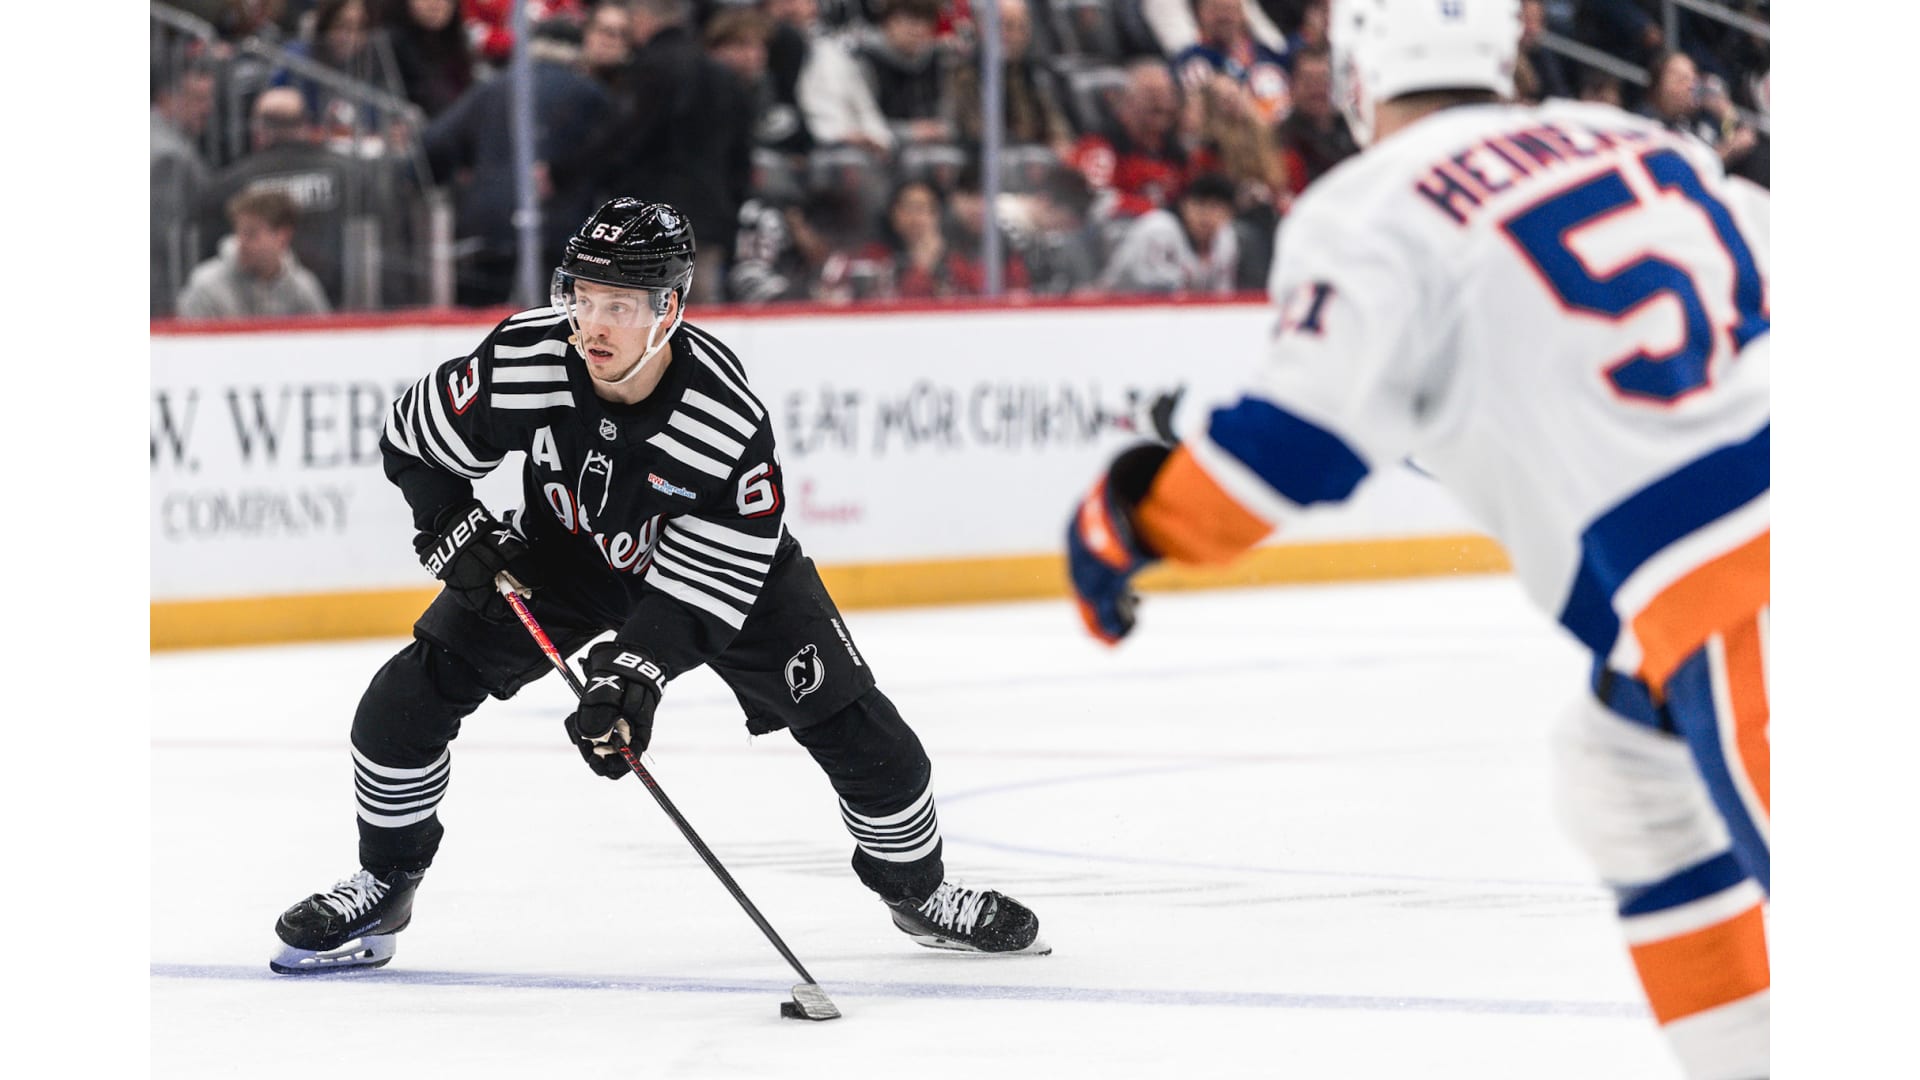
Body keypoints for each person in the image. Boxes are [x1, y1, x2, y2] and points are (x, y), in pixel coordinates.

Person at [1065, 3, 1768, 1078]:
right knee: (1622, 778)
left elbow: (1283, 454)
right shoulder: (1640, 141)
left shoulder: (1375, 203)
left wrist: (1126, 522)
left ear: (1357, 73)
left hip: (1742, 594)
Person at [270, 198, 1047, 974]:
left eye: (618, 306)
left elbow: (706, 586)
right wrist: (450, 519)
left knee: (876, 747)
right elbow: (414, 439)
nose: (592, 325)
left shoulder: (722, 418)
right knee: (401, 702)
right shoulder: (529, 356)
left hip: (721, 576)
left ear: (668, 310)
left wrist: (633, 677)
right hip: (567, 555)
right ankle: (387, 882)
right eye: (581, 297)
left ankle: (918, 891)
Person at [176, 188, 334, 319]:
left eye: (251, 234)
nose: (241, 243)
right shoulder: (206, 287)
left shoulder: (303, 289)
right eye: (239, 233)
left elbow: (322, 341)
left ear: (282, 236)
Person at [1095, 171, 1239, 295]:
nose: (1206, 215)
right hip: (1116, 306)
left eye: (1215, 207)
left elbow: (1222, 294)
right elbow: (1151, 289)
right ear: (1184, 205)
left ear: (1230, 214)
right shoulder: (1159, 228)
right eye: (1199, 205)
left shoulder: (1225, 239)